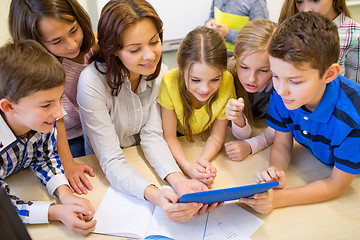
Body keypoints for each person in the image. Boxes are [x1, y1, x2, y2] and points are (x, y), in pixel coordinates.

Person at [77, 0, 219, 222]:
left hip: (143, 162)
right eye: (135, 49)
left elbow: (153, 136)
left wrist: (179, 182)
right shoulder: (91, 83)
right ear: (113, 50)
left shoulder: (160, 74)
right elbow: (112, 161)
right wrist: (157, 195)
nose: (150, 56)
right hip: (110, 178)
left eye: (154, 42)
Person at [239, 12, 360, 214]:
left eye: (295, 81)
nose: (281, 89)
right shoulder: (283, 94)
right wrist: (276, 172)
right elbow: (282, 143)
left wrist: (278, 199)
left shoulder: (352, 117)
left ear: (329, 74)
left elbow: (338, 184)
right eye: (275, 76)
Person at [0, 40, 96, 236]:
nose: (59, 113)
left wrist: (65, 193)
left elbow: (44, 157)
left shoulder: (41, 124)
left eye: (59, 99)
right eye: (46, 105)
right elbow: (3, 209)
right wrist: (54, 212)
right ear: (9, 107)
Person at [8, 0, 99, 195]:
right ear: (35, 42)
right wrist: (67, 161)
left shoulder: (93, 45)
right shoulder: (41, 71)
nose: (72, 44)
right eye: (56, 41)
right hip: (61, 139)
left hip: (92, 127)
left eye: (74, 30)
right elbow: (57, 118)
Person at [158, 26, 236, 186]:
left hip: (203, 141)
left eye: (215, 79)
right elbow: (170, 137)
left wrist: (202, 161)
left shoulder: (227, 80)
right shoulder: (169, 81)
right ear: (181, 69)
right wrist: (188, 168)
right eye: (195, 80)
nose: (205, 89)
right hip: (179, 143)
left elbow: (216, 136)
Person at [224, 19, 277, 162]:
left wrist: (250, 146)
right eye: (244, 67)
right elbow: (241, 135)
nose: (251, 79)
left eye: (263, 70)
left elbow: (281, 127)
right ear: (235, 57)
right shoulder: (226, 76)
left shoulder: (281, 82)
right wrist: (237, 119)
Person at [278, 0, 360, 83]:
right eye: (299, 2)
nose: (306, 10)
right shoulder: (287, 29)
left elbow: (353, 89)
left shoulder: (354, 35)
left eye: (315, 0)